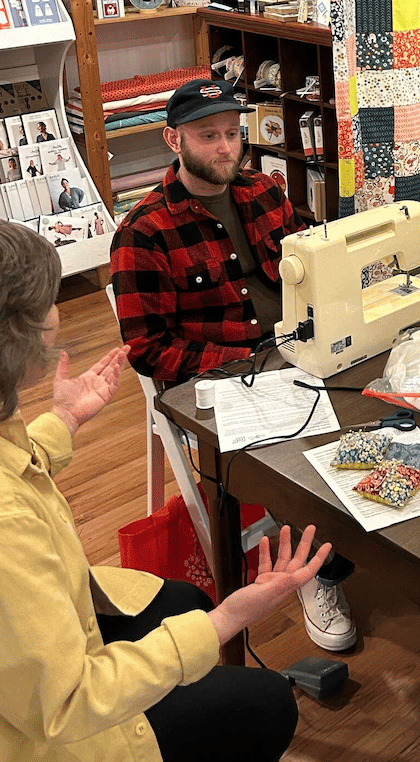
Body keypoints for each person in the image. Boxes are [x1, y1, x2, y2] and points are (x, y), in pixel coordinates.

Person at [0, 220, 332, 762]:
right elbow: (67, 705)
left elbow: (15, 466)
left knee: (185, 600)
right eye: (49, 305)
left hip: (43, 636)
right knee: (268, 702)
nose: (57, 314)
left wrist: (63, 420)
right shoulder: (7, 524)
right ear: (20, 336)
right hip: (53, 735)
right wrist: (228, 619)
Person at [110, 78, 358, 653]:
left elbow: (309, 267)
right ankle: (318, 571)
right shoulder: (142, 232)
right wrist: (248, 364)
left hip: (294, 347)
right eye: (208, 136)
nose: (226, 147)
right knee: (295, 444)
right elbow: (148, 348)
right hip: (225, 373)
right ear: (174, 140)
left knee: (379, 394)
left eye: (232, 133)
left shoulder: (265, 191)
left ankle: (354, 536)